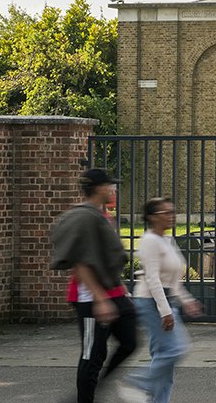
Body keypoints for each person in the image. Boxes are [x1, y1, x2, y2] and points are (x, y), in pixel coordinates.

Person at [49, 168, 142, 403]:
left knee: (130, 342)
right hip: (90, 298)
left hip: (113, 292)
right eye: (111, 185)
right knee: (93, 354)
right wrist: (100, 299)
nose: (114, 189)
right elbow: (80, 263)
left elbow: (104, 259)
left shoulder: (102, 215)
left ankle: (97, 385)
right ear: (100, 188)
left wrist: (121, 291)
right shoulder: (83, 216)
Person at [127, 198, 202, 403]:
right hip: (151, 302)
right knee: (176, 349)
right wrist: (165, 311)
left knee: (165, 363)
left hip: (166, 302)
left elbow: (174, 278)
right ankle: (139, 381)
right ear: (152, 217)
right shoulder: (149, 240)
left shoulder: (167, 240)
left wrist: (186, 300)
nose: (171, 216)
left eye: (172, 211)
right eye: (165, 212)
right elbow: (152, 278)